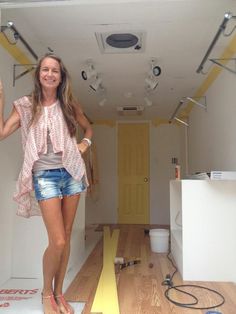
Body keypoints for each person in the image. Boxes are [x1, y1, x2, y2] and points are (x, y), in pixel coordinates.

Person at [0, 53, 92, 314]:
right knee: (59, 241)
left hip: (72, 174)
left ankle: (60, 293)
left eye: (55, 71)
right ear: (38, 74)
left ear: (61, 77)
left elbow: (89, 128)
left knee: (67, 237)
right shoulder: (26, 106)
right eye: (45, 70)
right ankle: (46, 293)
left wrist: (85, 144)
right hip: (45, 176)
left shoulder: (69, 105)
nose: (50, 74)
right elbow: (2, 132)